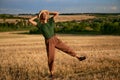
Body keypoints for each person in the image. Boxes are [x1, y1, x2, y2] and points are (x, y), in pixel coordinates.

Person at [29, 10, 86, 77]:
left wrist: (47, 12)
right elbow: (30, 20)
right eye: (43, 15)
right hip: (49, 41)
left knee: (67, 48)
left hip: (55, 39)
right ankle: (52, 73)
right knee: (51, 57)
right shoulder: (40, 25)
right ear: (41, 16)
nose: (45, 15)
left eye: (45, 15)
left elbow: (57, 13)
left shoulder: (51, 21)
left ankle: (78, 57)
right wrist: (38, 15)